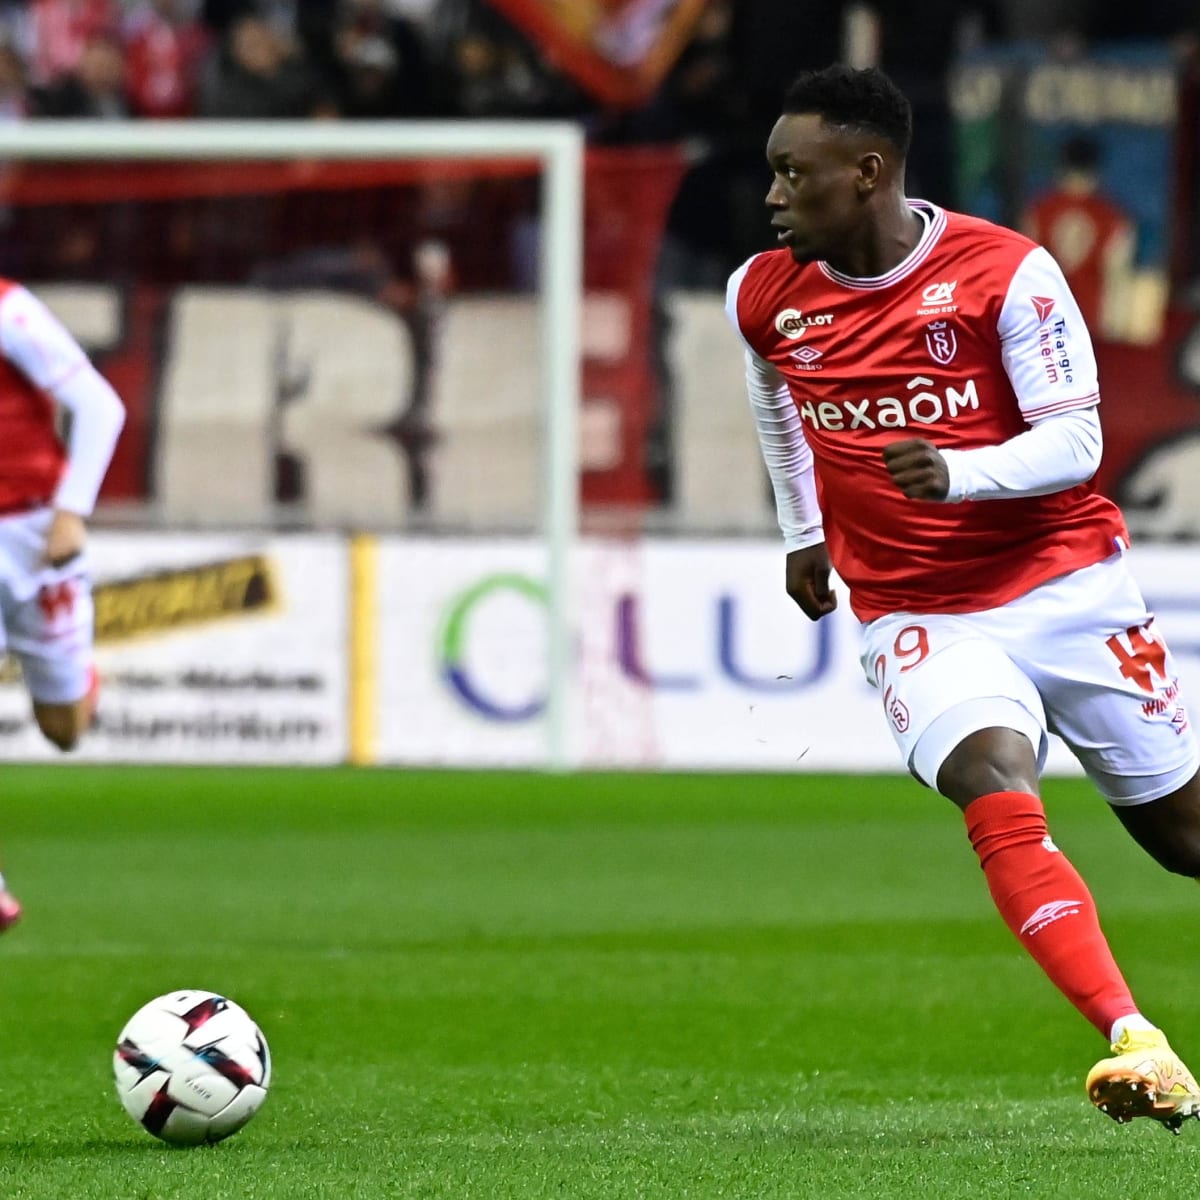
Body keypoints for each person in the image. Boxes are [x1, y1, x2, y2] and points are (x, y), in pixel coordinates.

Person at [725, 64, 1200, 1131]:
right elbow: (772, 393)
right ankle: (1138, 1041)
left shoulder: (1005, 272)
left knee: (1184, 839)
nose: (773, 196)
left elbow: (1078, 442)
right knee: (991, 775)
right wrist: (803, 531)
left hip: (1067, 585)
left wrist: (960, 472)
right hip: (917, 611)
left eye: (794, 174)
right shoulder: (762, 293)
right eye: (773, 174)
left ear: (868, 172)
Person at [0, 278, 126, 931]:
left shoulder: (8, 309)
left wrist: (72, 512)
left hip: (35, 533)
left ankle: (80, 680)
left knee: (64, 728)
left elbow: (99, 406)